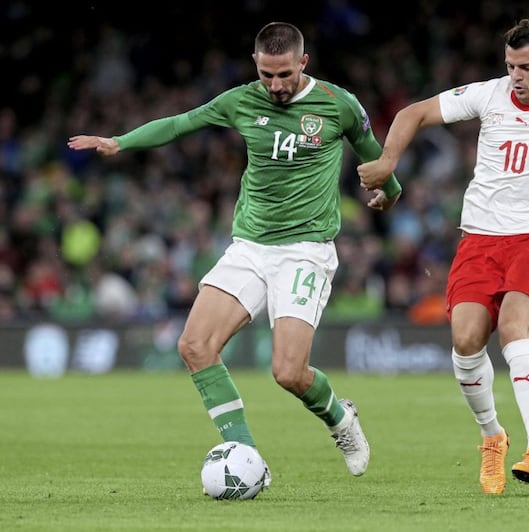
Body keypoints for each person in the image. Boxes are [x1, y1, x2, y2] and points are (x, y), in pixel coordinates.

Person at [68, 22, 402, 488]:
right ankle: (248, 458)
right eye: (267, 75)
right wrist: (121, 141)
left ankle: (340, 418)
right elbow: (181, 123)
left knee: (288, 372)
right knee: (194, 346)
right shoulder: (241, 100)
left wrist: (389, 191)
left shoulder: (338, 104)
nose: (276, 85)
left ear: (303, 63)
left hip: (305, 250)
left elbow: (377, 159)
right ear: (256, 65)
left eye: (285, 74)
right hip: (250, 245)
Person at [358, 18, 529, 494]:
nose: (516, 75)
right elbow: (413, 113)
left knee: (515, 329)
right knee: (465, 340)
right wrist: (389, 161)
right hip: (479, 238)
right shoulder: (489, 94)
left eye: (527, 67)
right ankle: (492, 437)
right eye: (510, 65)